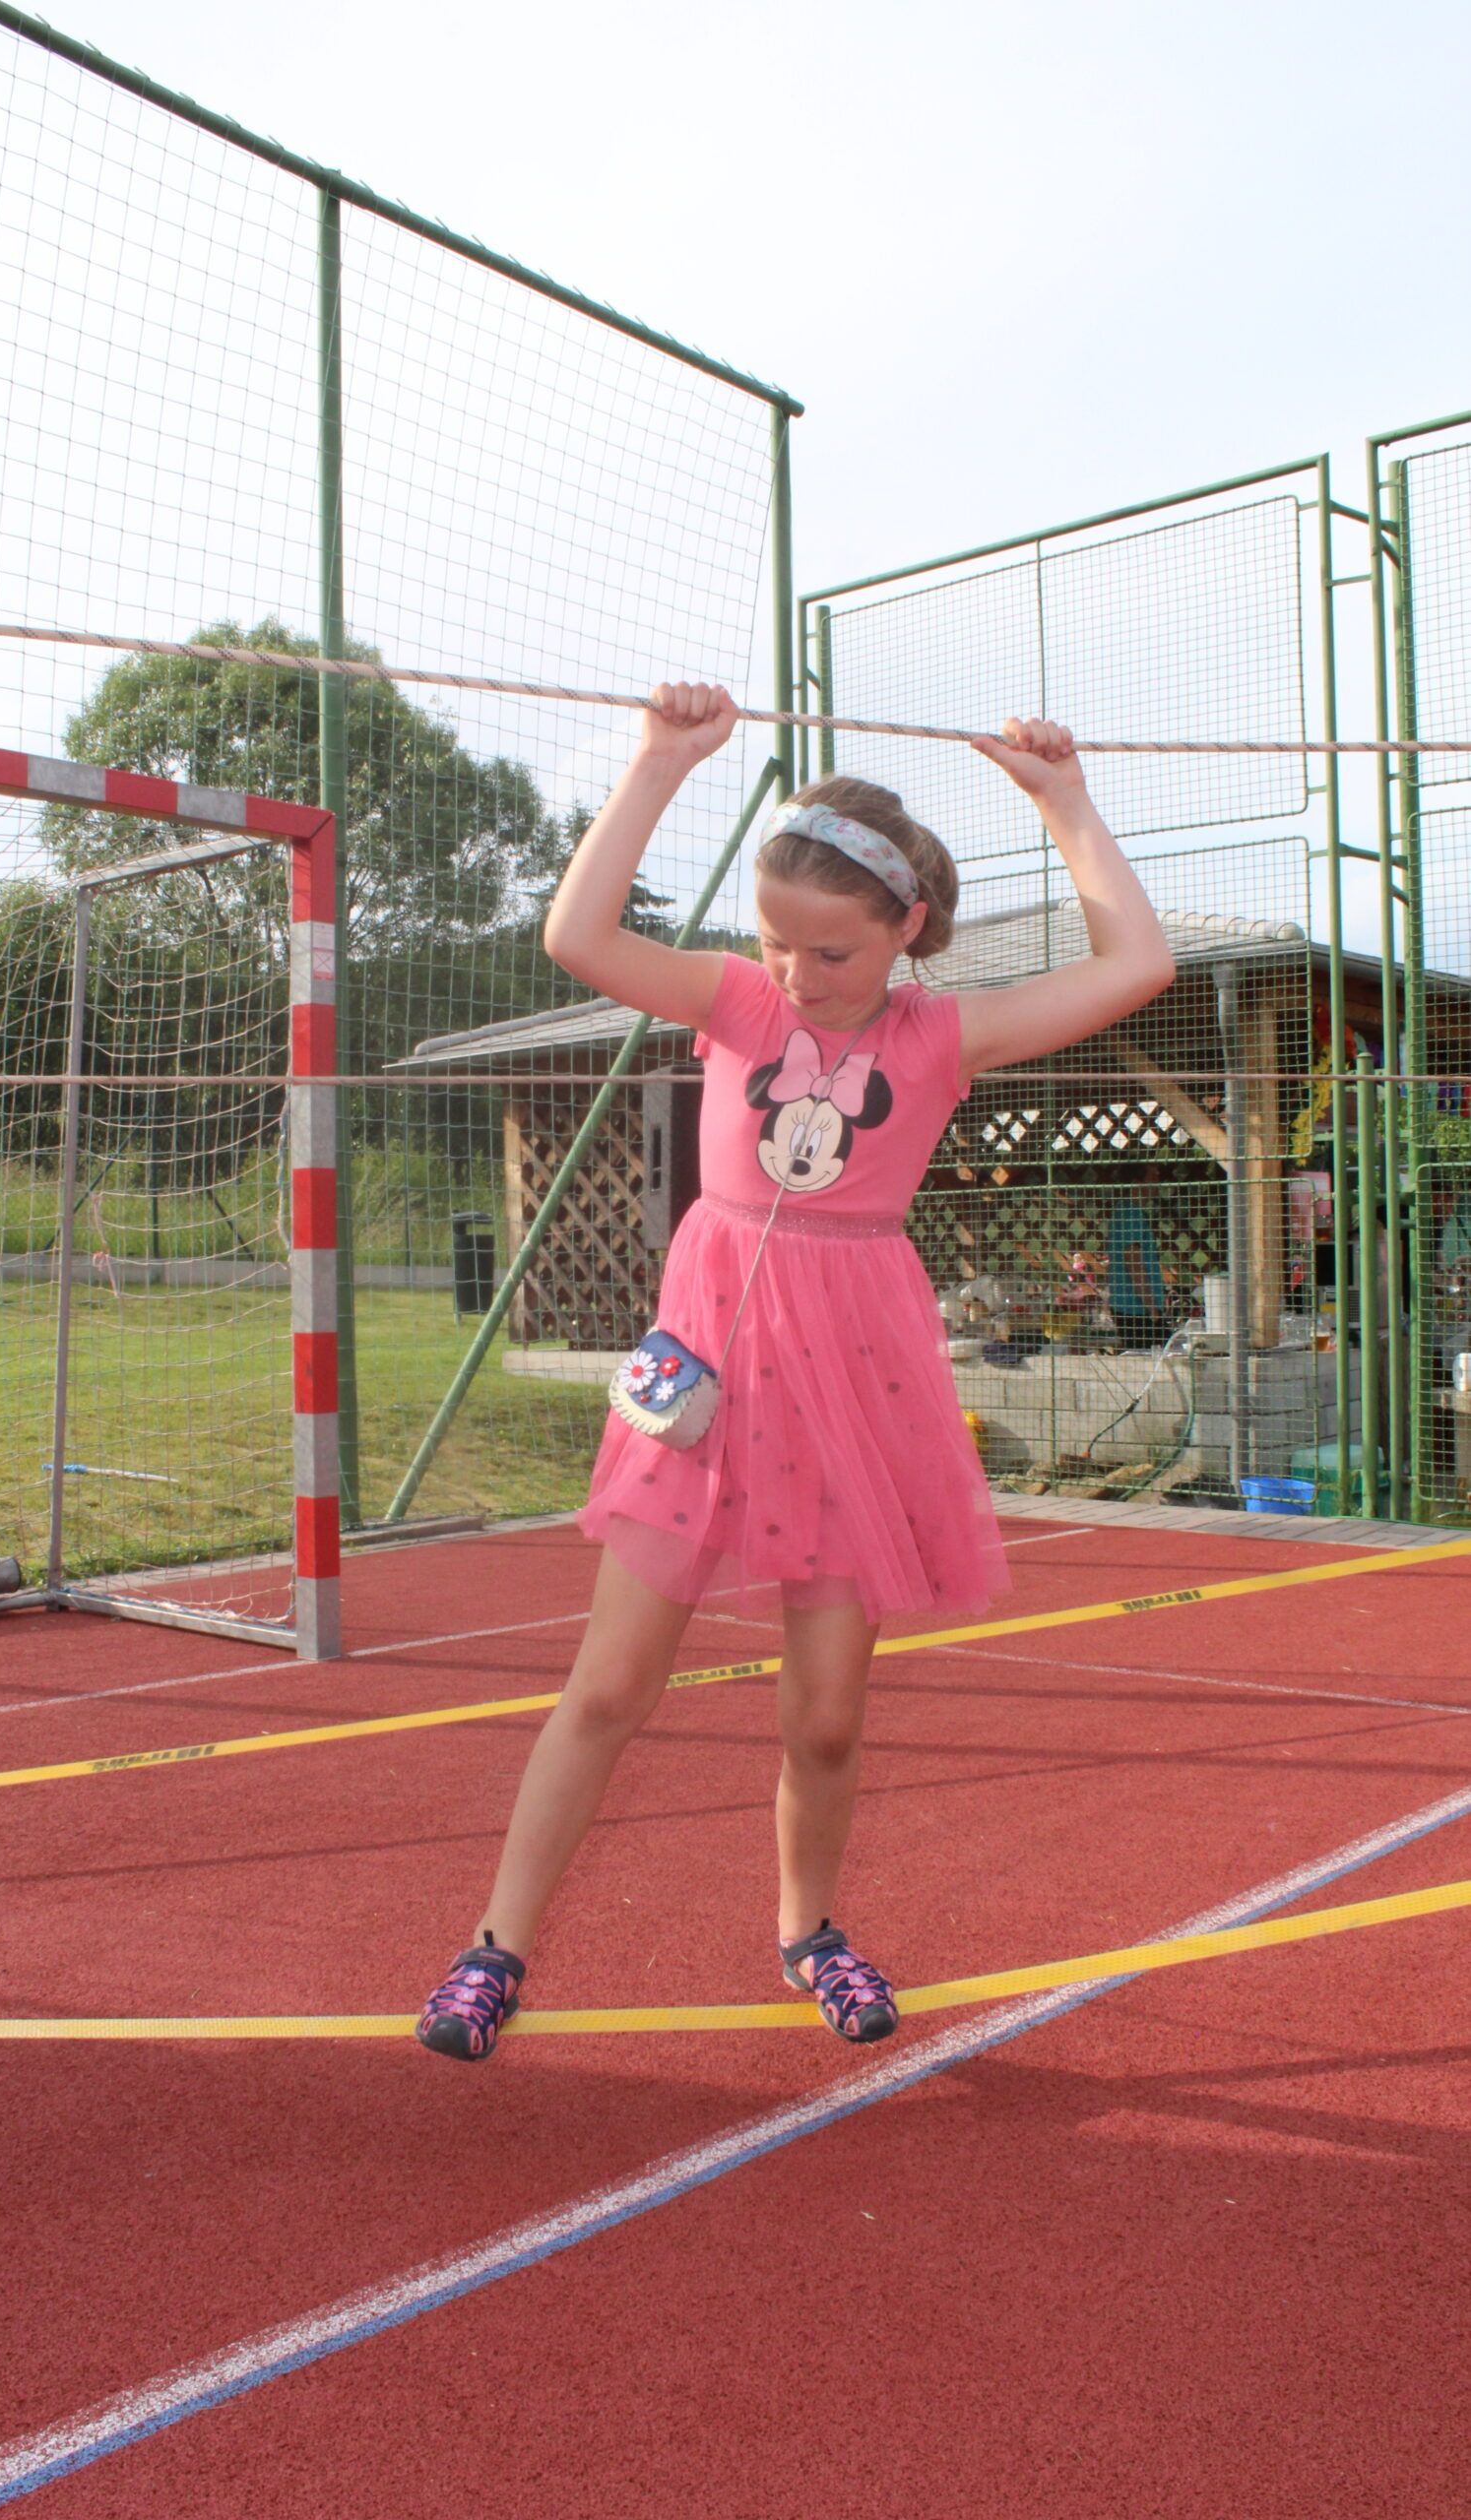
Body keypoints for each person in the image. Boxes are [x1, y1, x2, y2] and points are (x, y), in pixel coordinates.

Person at [416, 689, 1175, 2059]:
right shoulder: (736, 1001)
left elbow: (1137, 966)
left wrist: (1063, 803)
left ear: (907, 930)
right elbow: (576, 936)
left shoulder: (939, 1037)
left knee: (824, 1719)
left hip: (855, 1393)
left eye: (830, 949)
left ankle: (807, 1931)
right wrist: (657, 765)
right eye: (775, 940)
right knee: (609, 1685)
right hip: (707, 1375)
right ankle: (493, 1949)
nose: (799, 972)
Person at [1107, 1165, 1176, 1346]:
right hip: (1136, 1308)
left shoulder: (1128, 1211)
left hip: (1133, 1306)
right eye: (1152, 1178)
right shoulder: (1131, 1214)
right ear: (1137, 1183)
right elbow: (1133, 1261)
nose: (1157, 1183)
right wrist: (1152, 1307)